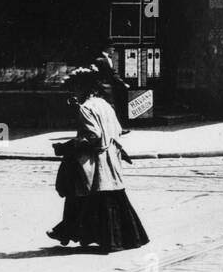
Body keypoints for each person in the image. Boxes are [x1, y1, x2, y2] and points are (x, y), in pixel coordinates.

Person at [49, 67, 149, 251]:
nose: (74, 92)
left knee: (80, 194)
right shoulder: (104, 104)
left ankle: (70, 232)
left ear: (82, 89)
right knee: (111, 197)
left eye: (75, 88)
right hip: (111, 156)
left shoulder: (85, 108)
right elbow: (118, 130)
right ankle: (125, 238)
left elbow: (93, 135)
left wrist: (66, 147)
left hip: (95, 160)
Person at [93, 48, 132, 130]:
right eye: (112, 47)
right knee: (110, 108)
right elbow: (111, 73)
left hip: (107, 87)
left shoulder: (106, 59)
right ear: (108, 48)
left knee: (110, 108)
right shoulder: (101, 59)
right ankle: (115, 129)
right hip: (105, 87)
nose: (114, 50)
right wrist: (122, 83)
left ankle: (115, 129)